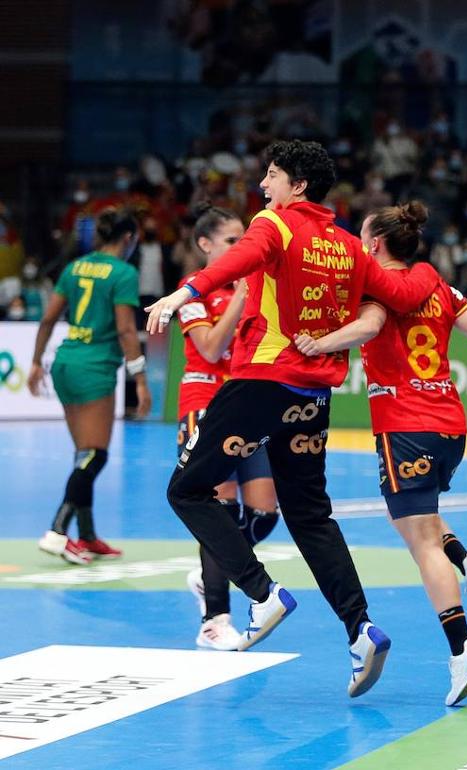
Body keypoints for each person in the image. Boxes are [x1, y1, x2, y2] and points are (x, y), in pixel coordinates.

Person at [144, 139, 441, 698]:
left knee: (187, 491)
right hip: (313, 395)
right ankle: (361, 630)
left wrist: (186, 289)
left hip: (261, 381)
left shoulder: (276, 225)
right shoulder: (351, 247)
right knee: (310, 515)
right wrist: (428, 272)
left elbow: (232, 261)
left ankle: (260, 593)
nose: (264, 185)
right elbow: (402, 291)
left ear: (297, 185)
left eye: (273, 175)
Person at [291, 202, 467, 705]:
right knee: (421, 521)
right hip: (449, 424)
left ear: (376, 244)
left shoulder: (377, 289)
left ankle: (462, 646)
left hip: (404, 424)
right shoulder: (442, 289)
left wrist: (318, 344)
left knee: (420, 542)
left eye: (362, 237)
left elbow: (367, 328)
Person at [175, 204, 281, 651]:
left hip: (244, 404)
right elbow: (212, 346)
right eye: (232, 241)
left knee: (264, 514)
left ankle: (209, 569)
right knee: (218, 508)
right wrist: (239, 294)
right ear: (205, 244)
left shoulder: (255, 286)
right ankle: (214, 620)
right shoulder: (191, 290)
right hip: (204, 405)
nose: (242, 248)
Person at [32, 208, 151, 564]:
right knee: (95, 455)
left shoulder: (75, 267)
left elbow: (49, 317)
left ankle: (86, 536)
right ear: (128, 238)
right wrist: (141, 380)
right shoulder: (124, 273)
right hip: (95, 367)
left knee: (83, 453)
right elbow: (126, 330)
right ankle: (57, 531)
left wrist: (37, 361)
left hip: (65, 363)